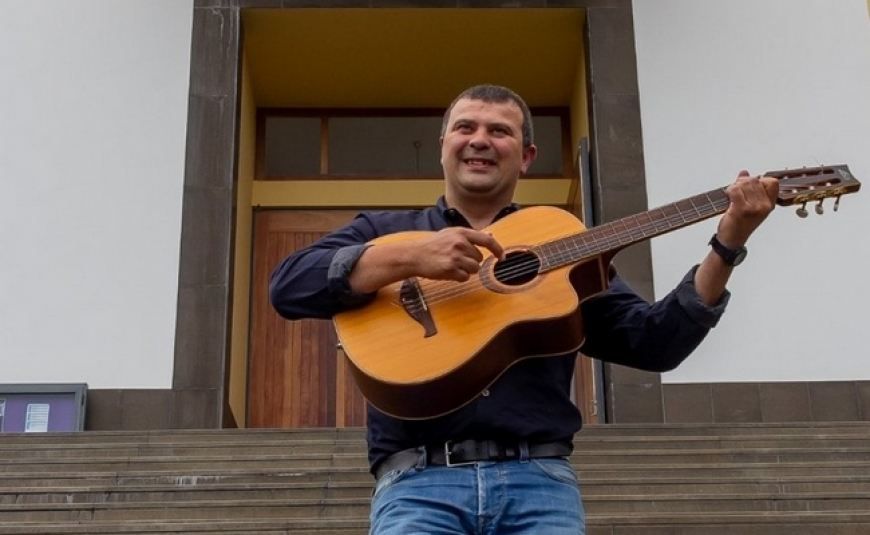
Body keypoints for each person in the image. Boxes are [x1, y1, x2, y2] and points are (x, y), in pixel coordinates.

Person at [269, 84, 779, 535]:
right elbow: (288, 285)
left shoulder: (560, 241)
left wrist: (728, 242)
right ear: (443, 145)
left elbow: (654, 342)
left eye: (500, 130)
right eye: (465, 127)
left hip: (540, 482)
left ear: (527, 155)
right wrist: (410, 257)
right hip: (416, 482)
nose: (480, 139)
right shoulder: (385, 230)